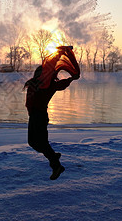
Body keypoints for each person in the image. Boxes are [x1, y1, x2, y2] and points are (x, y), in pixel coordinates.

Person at [24, 47, 80, 180]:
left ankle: (56, 166)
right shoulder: (33, 83)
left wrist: (71, 78)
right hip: (33, 116)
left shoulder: (49, 84)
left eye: (43, 72)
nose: (41, 74)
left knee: (42, 143)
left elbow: (54, 70)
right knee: (32, 142)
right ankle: (53, 155)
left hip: (40, 116)